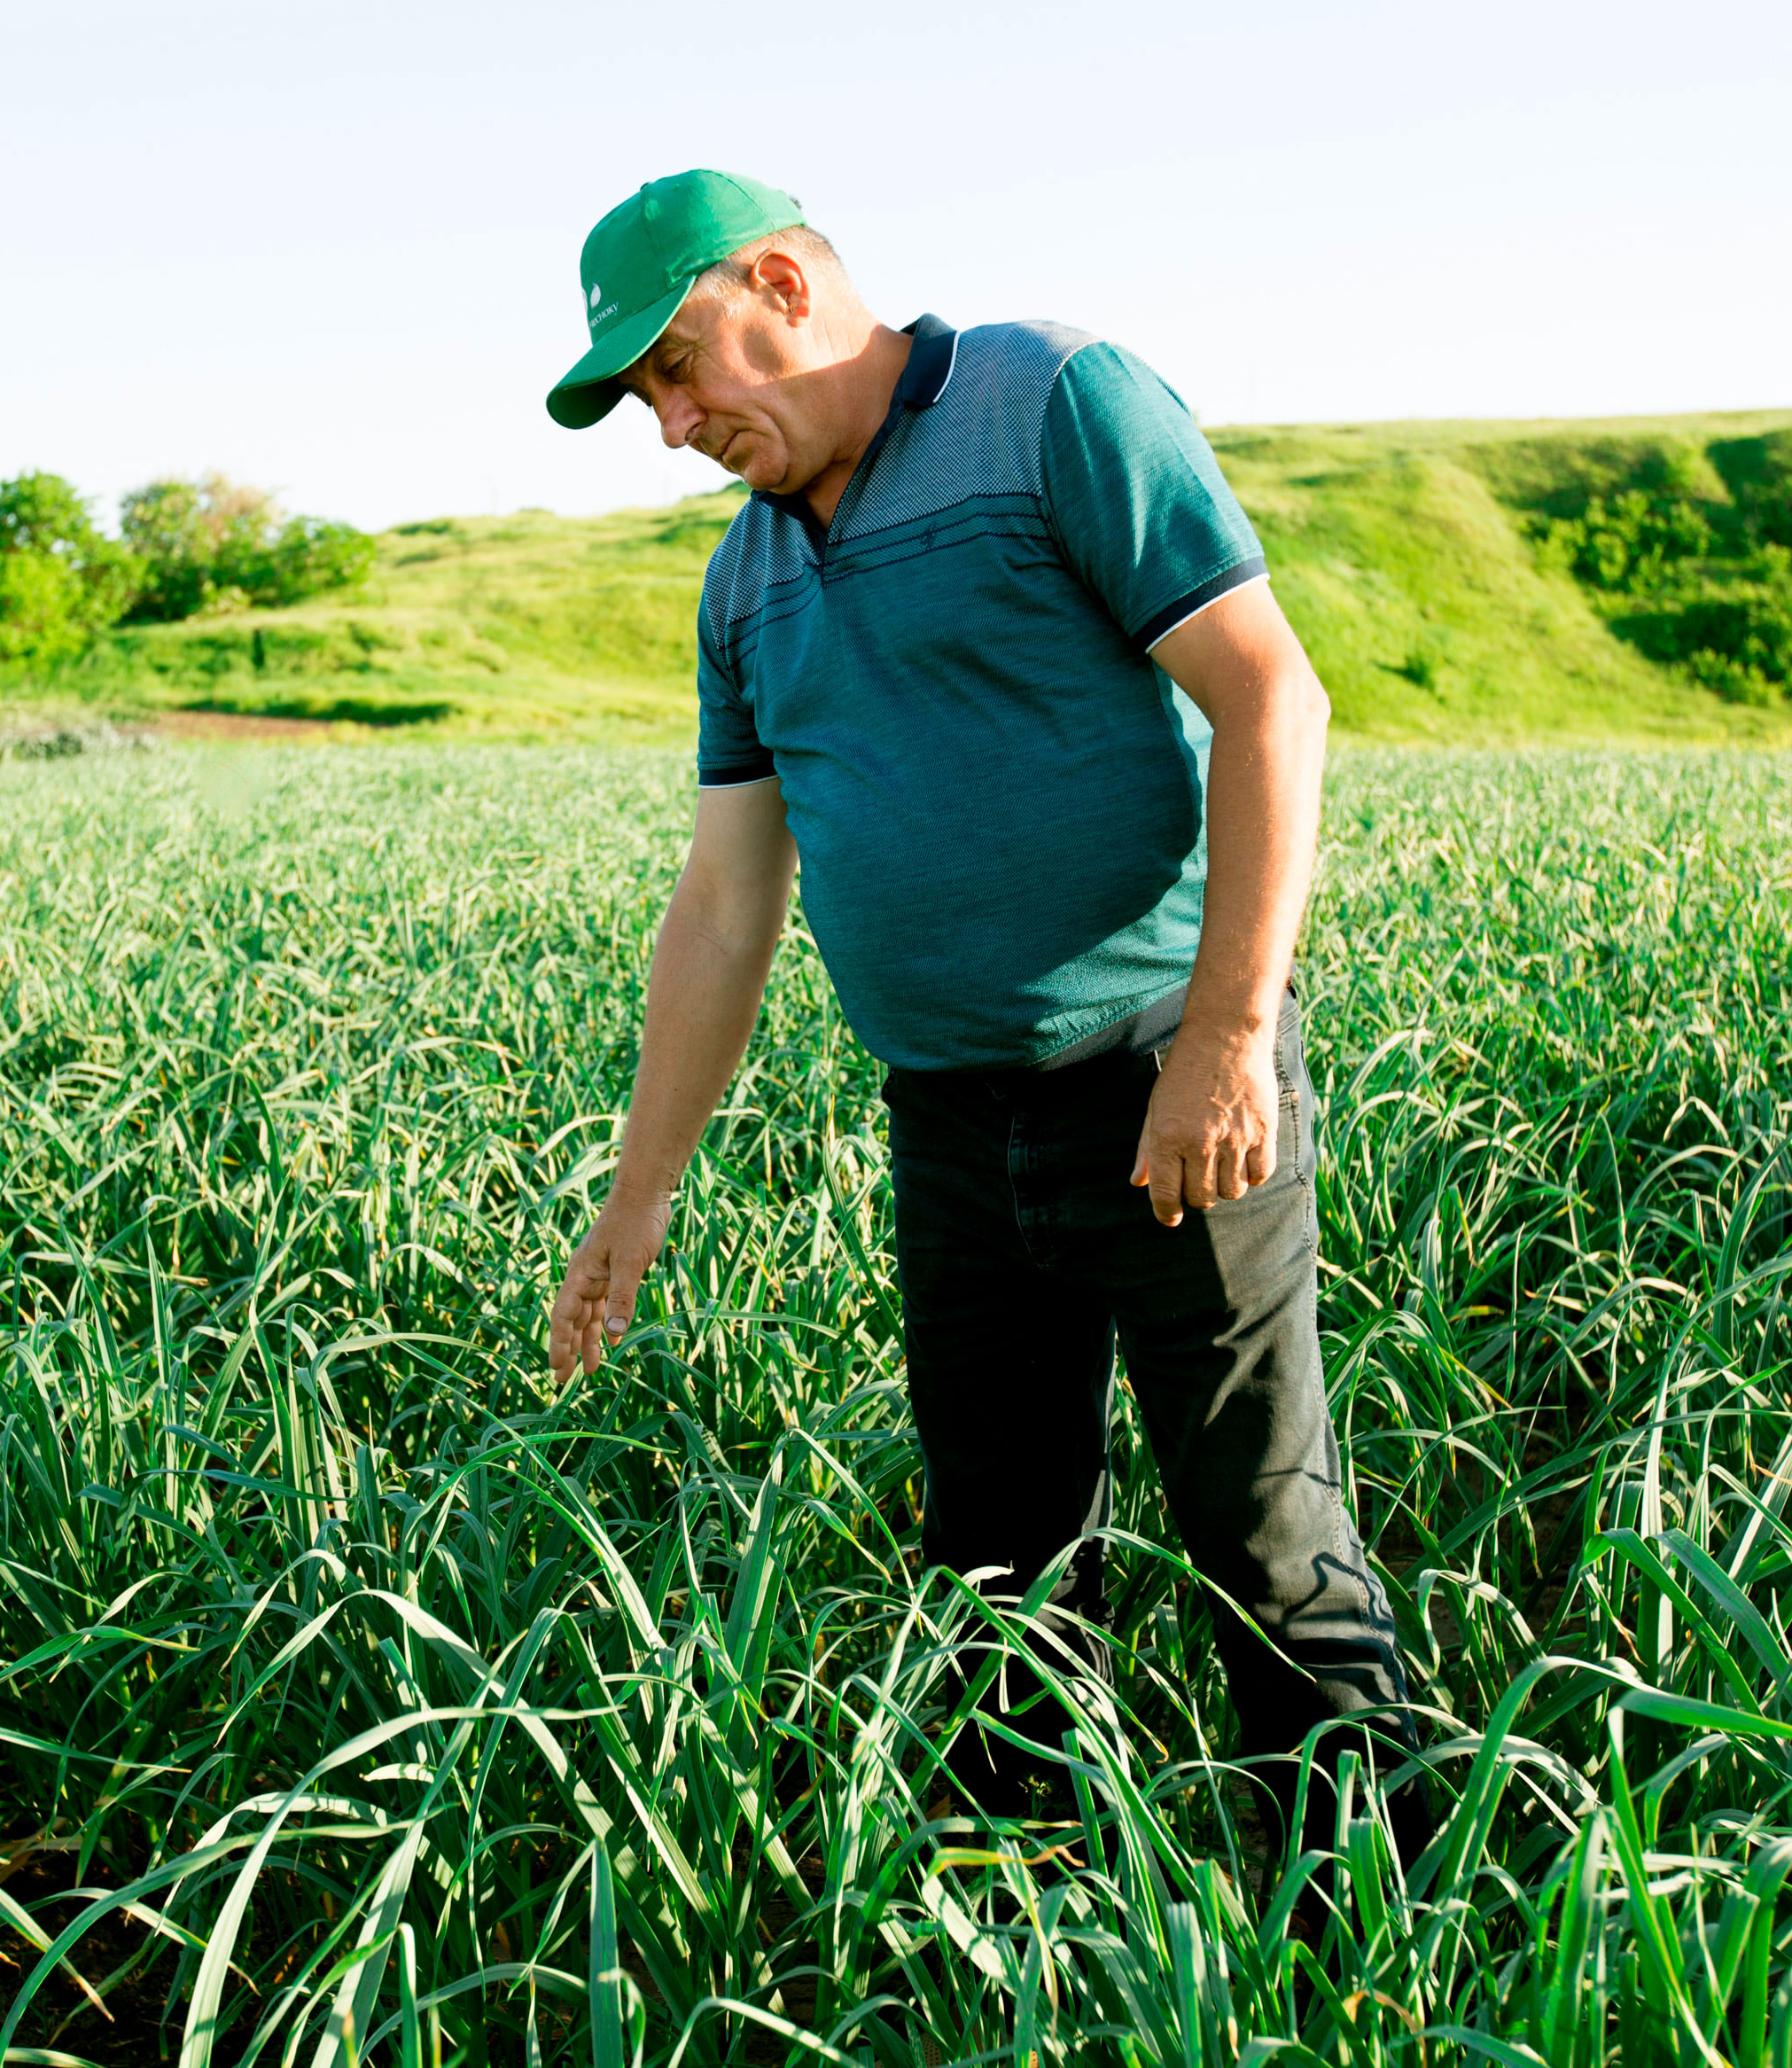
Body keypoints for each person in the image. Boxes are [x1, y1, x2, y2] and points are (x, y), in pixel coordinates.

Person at [538, 168, 1424, 1894]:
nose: (668, 426)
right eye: (643, 397)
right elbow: (724, 910)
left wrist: (1228, 1038)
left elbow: (1268, 694)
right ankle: (1034, 1926)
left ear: (784, 281)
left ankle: (1373, 1929)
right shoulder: (743, 584)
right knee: (999, 1557)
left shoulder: (1051, 403)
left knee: (1264, 1538)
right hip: (944, 1123)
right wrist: (634, 1200)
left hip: (1166, 1083)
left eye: (676, 366)